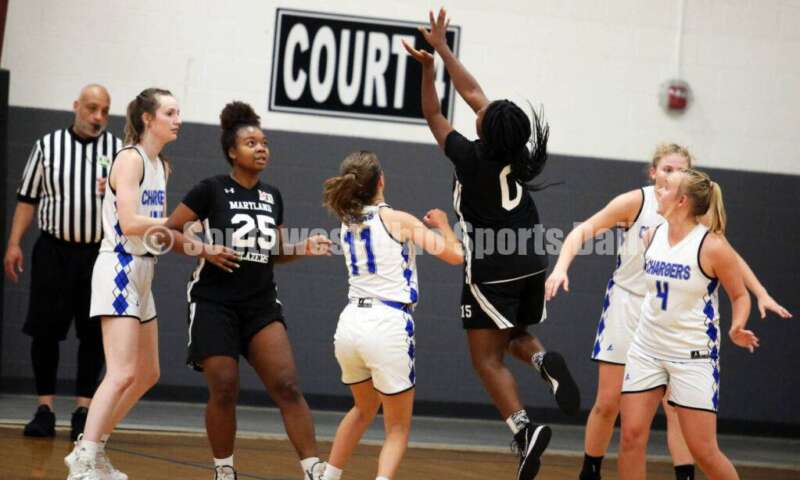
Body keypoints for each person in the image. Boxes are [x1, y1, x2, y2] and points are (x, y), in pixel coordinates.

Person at [404, 8, 580, 480]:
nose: (478, 109)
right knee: (515, 334)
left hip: (492, 263)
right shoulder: (517, 153)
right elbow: (474, 94)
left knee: (486, 356)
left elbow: (434, 111)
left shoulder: (468, 155)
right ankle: (542, 360)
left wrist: (427, 68)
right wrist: (441, 48)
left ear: (483, 128)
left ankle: (524, 432)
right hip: (530, 254)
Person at [544, 145, 791, 480]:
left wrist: (756, 295)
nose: (668, 178)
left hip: (686, 337)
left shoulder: (701, 230)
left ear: (684, 194)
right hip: (635, 316)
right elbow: (582, 231)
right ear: (653, 171)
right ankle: (591, 470)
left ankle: (685, 473)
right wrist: (561, 268)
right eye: (666, 170)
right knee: (617, 414)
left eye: (678, 172)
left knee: (691, 432)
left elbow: (730, 266)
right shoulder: (646, 216)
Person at [162, 101, 331, 480]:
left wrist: (301, 249)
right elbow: (166, 232)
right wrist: (204, 248)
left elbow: (273, 252)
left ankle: (313, 468)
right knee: (224, 386)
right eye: (251, 142)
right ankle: (224, 470)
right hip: (214, 301)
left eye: (264, 142)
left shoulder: (273, 196)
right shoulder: (211, 189)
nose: (261, 148)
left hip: (259, 303)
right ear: (231, 152)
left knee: (287, 385)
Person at [319, 151, 463, 480]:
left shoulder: (346, 222)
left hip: (350, 324)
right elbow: (455, 255)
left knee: (362, 409)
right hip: (386, 324)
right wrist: (443, 225)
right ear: (381, 181)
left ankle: (328, 477)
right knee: (397, 427)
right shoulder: (397, 219)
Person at [65, 87, 181, 480]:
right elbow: (131, 223)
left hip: (144, 269)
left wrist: (192, 239)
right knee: (121, 372)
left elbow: (155, 230)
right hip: (119, 266)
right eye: (170, 112)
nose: (177, 119)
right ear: (148, 119)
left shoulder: (161, 166)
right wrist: (176, 224)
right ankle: (84, 458)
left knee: (147, 373)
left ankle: (93, 447)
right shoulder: (129, 160)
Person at [618, 169, 759, 480]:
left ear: (681, 201)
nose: (659, 191)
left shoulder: (712, 246)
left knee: (703, 451)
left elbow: (739, 295)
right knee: (629, 437)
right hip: (646, 349)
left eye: (665, 188)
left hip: (692, 356)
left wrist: (736, 327)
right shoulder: (652, 236)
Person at [4, 84, 122, 441]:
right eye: (91, 108)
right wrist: (13, 243)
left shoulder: (118, 151)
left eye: (103, 109)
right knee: (45, 332)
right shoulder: (47, 146)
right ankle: (45, 409)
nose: (97, 116)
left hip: (98, 254)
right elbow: (27, 199)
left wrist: (115, 192)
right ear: (76, 107)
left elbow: (132, 203)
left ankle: (84, 411)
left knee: (93, 336)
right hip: (53, 251)